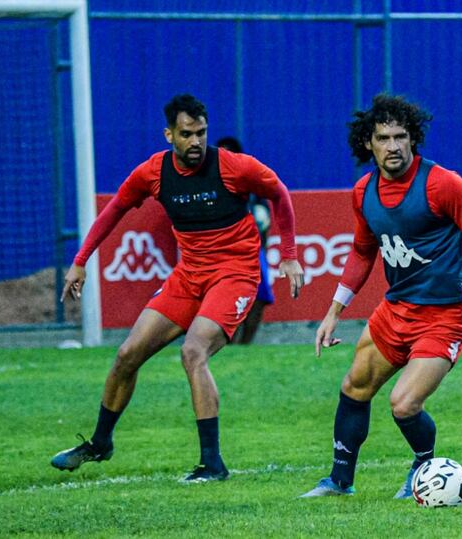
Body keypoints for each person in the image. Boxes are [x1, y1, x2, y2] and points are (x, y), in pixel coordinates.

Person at [51, 94, 304, 481]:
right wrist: (81, 261)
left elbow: (279, 193)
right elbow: (116, 208)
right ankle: (100, 443)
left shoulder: (233, 166)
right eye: (187, 134)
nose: (196, 142)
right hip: (188, 276)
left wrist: (288, 254)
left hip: (234, 274)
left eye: (201, 133)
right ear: (169, 134)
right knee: (126, 354)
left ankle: (212, 464)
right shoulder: (153, 172)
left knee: (193, 350)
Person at [301, 94, 462, 499]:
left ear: (413, 138)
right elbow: (362, 252)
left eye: (401, 136)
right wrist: (334, 312)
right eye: (383, 138)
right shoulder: (363, 191)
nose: (393, 146)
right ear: (368, 143)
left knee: (403, 404)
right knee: (354, 387)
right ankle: (338, 481)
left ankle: (423, 468)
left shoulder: (442, 183)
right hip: (395, 310)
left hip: (444, 316)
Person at [216, 136, 275, 344]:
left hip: (253, 250)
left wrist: (264, 249)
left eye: (230, 153)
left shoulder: (251, 183)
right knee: (226, 298)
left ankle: (246, 344)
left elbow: (265, 216)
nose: (226, 158)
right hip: (221, 252)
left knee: (259, 297)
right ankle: (227, 342)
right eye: (221, 153)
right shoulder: (210, 186)